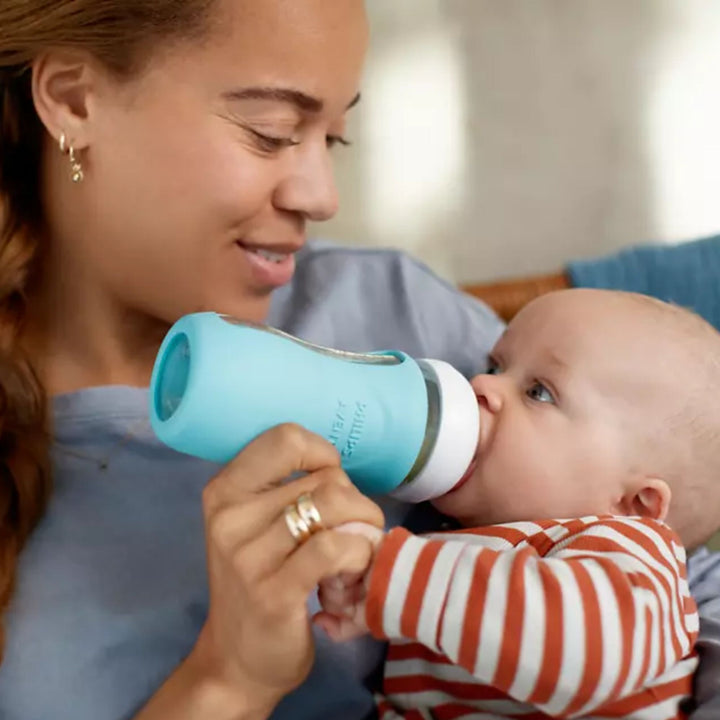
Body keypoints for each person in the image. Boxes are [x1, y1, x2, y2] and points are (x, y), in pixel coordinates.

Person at [0, 1, 718, 719]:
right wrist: (229, 680)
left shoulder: (390, 310)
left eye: (333, 139)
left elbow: (678, 574)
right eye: (271, 132)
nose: (321, 197)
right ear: (73, 98)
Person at [316, 289, 720, 719]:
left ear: (635, 504)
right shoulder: (448, 548)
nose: (481, 385)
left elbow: (584, 652)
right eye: (495, 365)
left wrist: (394, 574)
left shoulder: (628, 548)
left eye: (539, 392)